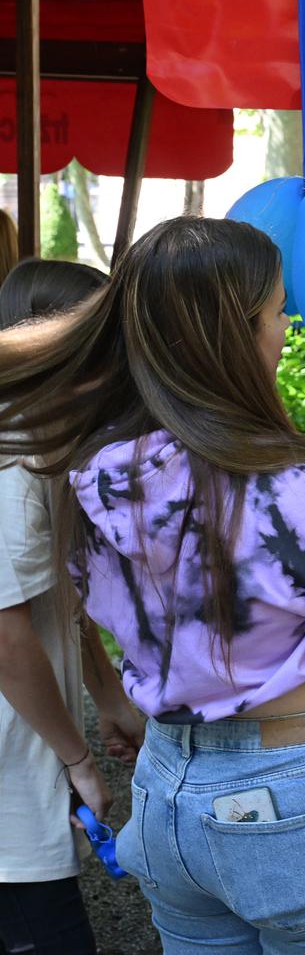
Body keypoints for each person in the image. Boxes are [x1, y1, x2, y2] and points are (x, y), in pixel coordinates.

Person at [0, 217, 305, 954]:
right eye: (276, 315)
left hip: (170, 793)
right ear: (232, 335)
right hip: (304, 787)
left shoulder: (92, 477)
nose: (284, 333)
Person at [0, 259, 144, 955]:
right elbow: (3, 632)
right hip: (12, 782)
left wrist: (108, 693)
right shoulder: (12, 460)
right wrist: (78, 758)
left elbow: (50, 597)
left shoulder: (45, 445)